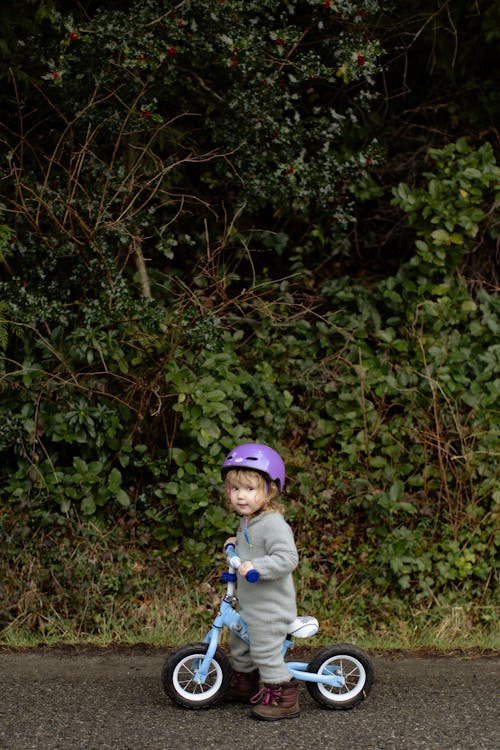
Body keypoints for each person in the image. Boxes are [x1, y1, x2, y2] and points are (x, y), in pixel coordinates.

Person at [221, 442, 300, 721]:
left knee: (265, 650)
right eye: (235, 489)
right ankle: (246, 683)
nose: (241, 496)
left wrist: (257, 565)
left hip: (270, 609)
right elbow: (249, 547)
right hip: (250, 605)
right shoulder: (248, 521)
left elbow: (288, 558)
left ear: (270, 490)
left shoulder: (273, 523)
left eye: (250, 489)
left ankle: (283, 695)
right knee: (240, 644)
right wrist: (235, 545)